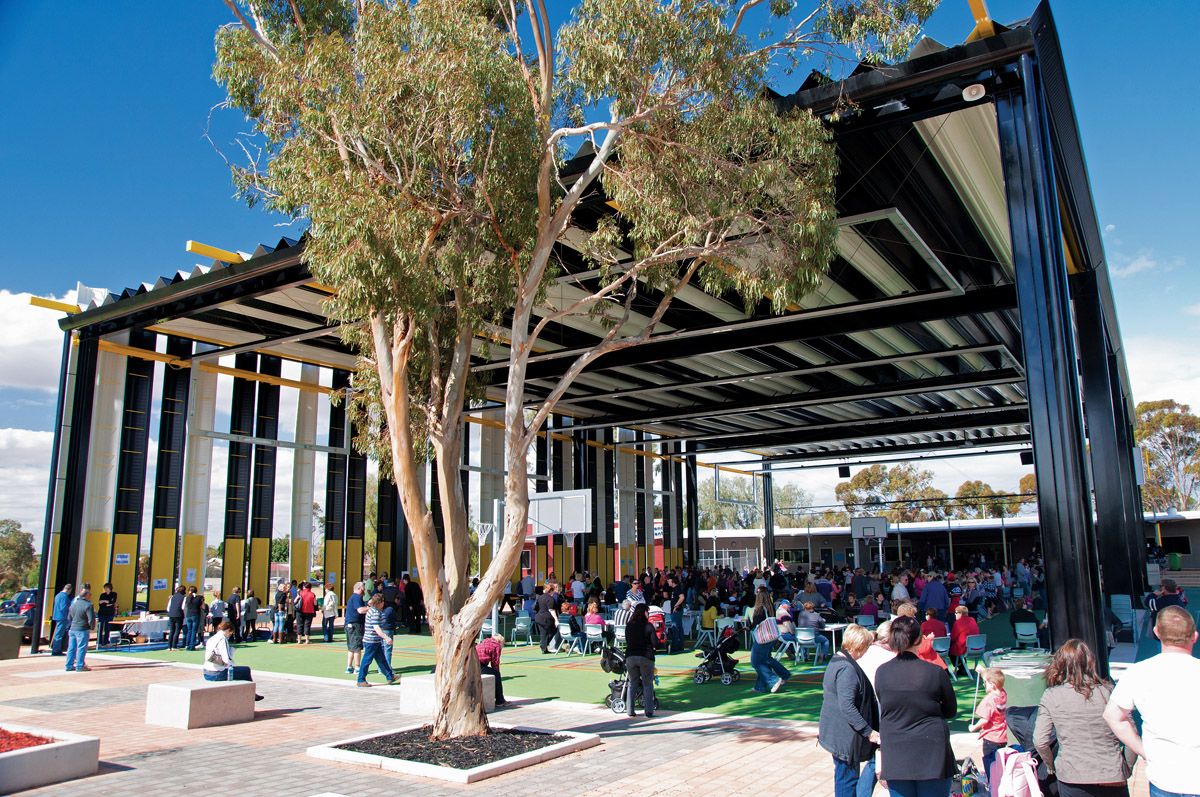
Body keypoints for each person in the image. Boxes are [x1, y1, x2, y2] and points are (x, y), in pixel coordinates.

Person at [1104, 605, 1200, 797]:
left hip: (1164, 775)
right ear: (1194, 636)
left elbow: (1112, 716)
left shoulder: (1139, 672)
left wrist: (1143, 750)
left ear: (1156, 632)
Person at [1036, 639, 1133, 797]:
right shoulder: (1108, 692)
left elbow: (1040, 740)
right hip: (1112, 773)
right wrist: (1126, 767)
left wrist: (1051, 766)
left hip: (1072, 774)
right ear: (1091, 662)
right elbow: (1131, 734)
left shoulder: (1051, 696)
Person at [874, 615, 957, 797]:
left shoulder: (882, 673)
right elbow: (951, 710)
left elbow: (885, 703)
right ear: (919, 639)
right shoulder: (934, 672)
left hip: (897, 750)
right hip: (932, 751)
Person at [818, 624, 880, 797]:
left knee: (843, 776)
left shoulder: (836, 660)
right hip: (845, 738)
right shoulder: (847, 669)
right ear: (858, 647)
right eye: (866, 647)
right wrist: (869, 732)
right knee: (847, 779)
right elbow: (847, 706)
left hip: (835, 732)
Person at [203, 620, 264, 701]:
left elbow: (209, 657)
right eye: (231, 633)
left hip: (207, 672)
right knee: (245, 670)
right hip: (217, 673)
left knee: (240, 671)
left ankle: (248, 694)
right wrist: (230, 658)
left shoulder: (212, 638)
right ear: (228, 630)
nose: (230, 635)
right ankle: (251, 694)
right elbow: (226, 660)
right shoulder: (222, 640)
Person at [968, 668, 1008, 779]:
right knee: (1000, 763)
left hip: (991, 739)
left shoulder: (989, 700)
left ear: (992, 684)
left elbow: (985, 719)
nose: (983, 684)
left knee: (991, 765)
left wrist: (973, 727)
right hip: (1002, 737)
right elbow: (994, 677)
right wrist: (983, 671)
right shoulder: (1003, 694)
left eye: (985, 683)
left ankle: (993, 786)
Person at [749, 588, 791, 693]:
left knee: (756, 662)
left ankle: (773, 679)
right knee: (766, 660)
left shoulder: (759, 609)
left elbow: (756, 623)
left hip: (763, 637)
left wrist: (749, 627)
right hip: (771, 636)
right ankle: (760, 686)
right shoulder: (770, 607)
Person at [357, 594, 398, 687]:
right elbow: (377, 628)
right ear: (380, 603)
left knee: (381, 660)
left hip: (374, 640)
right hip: (371, 640)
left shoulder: (372, 610)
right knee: (367, 660)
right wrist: (386, 637)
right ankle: (361, 680)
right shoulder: (375, 612)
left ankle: (390, 676)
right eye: (383, 602)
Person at [623, 603, 656, 718]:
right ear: (644, 612)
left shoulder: (629, 625)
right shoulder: (648, 626)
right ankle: (649, 711)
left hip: (631, 656)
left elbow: (627, 640)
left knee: (632, 683)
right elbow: (655, 643)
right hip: (645, 656)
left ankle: (630, 710)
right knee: (647, 684)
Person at [65, 588, 95, 672]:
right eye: (90, 595)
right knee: (81, 647)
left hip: (73, 628)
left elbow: (69, 617)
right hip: (82, 629)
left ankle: (69, 665)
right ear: (87, 595)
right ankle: (79, 665)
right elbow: (91, 619)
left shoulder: (73, 604)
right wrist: (92, 627)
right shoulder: (88, 605)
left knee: (71, 647)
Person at [948, 604, 980, 677]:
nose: (955, 615)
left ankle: (961, 667)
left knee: (951, 650)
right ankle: (962, 667)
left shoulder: (958, 623)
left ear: (960, 613)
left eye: (956, 613)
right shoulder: (972, 620)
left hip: (964, 648)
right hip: (978, 646)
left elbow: (953, 637)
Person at [476, 633, 507, 706]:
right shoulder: (496, 646)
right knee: (496, 674)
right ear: (500, 642)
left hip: (474, 663)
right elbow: (495, 663)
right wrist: (497, 673)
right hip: (479, 665)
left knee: (493, 673)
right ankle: (500, 700)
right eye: (503, 644)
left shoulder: (485, 641)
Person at [344, 581, 367, 674]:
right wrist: (371, 608)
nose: (364, 590)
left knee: (351, 647)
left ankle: (349, 666)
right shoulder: (357, 597)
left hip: (349, 625)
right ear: (360, 588)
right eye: (363, 588)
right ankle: (357, 667)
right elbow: (361, 610)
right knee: (357, 647)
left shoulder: (352, 597)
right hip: (355, 625)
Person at [534, 586, 560, 654]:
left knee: (543, 633)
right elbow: (551, 610)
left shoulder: (540, 597)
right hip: (547, 618)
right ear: (551, 591)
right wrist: (556, 619)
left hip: (539, 617)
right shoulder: (550, 599)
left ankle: (544, 647)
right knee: (554, 630)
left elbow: (536, 607)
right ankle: (544, 645)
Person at [50, 583, 74, 655]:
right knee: (59, 633)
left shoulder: (58, 595)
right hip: (62, 617)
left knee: (58, 632)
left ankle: (56, 648)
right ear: (69, 590)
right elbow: (64, 607)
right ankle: (56, 650)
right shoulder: (64, 596)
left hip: (57, 616)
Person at [96, 583, 117, 648]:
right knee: (100, 628)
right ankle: (99, 642)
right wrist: (106, 602)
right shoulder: (102, 595)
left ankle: (106, 642)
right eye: (104, 588)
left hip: (110, 613)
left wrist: (104, 601)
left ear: (109, 588)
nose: (105, 589)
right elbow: (100, 603)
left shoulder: (114, 594)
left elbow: (112, 602)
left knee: (108, 628)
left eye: (106, 588)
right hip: (102, 613)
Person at [166, 585, 186, 650]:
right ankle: (174, 646)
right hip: (179, 615)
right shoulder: (184, 597)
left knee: (172, 631)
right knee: (177, 631)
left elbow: (168, 608)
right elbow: (183, 607)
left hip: (171, 615)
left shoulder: (172, 597)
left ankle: (169, 646)